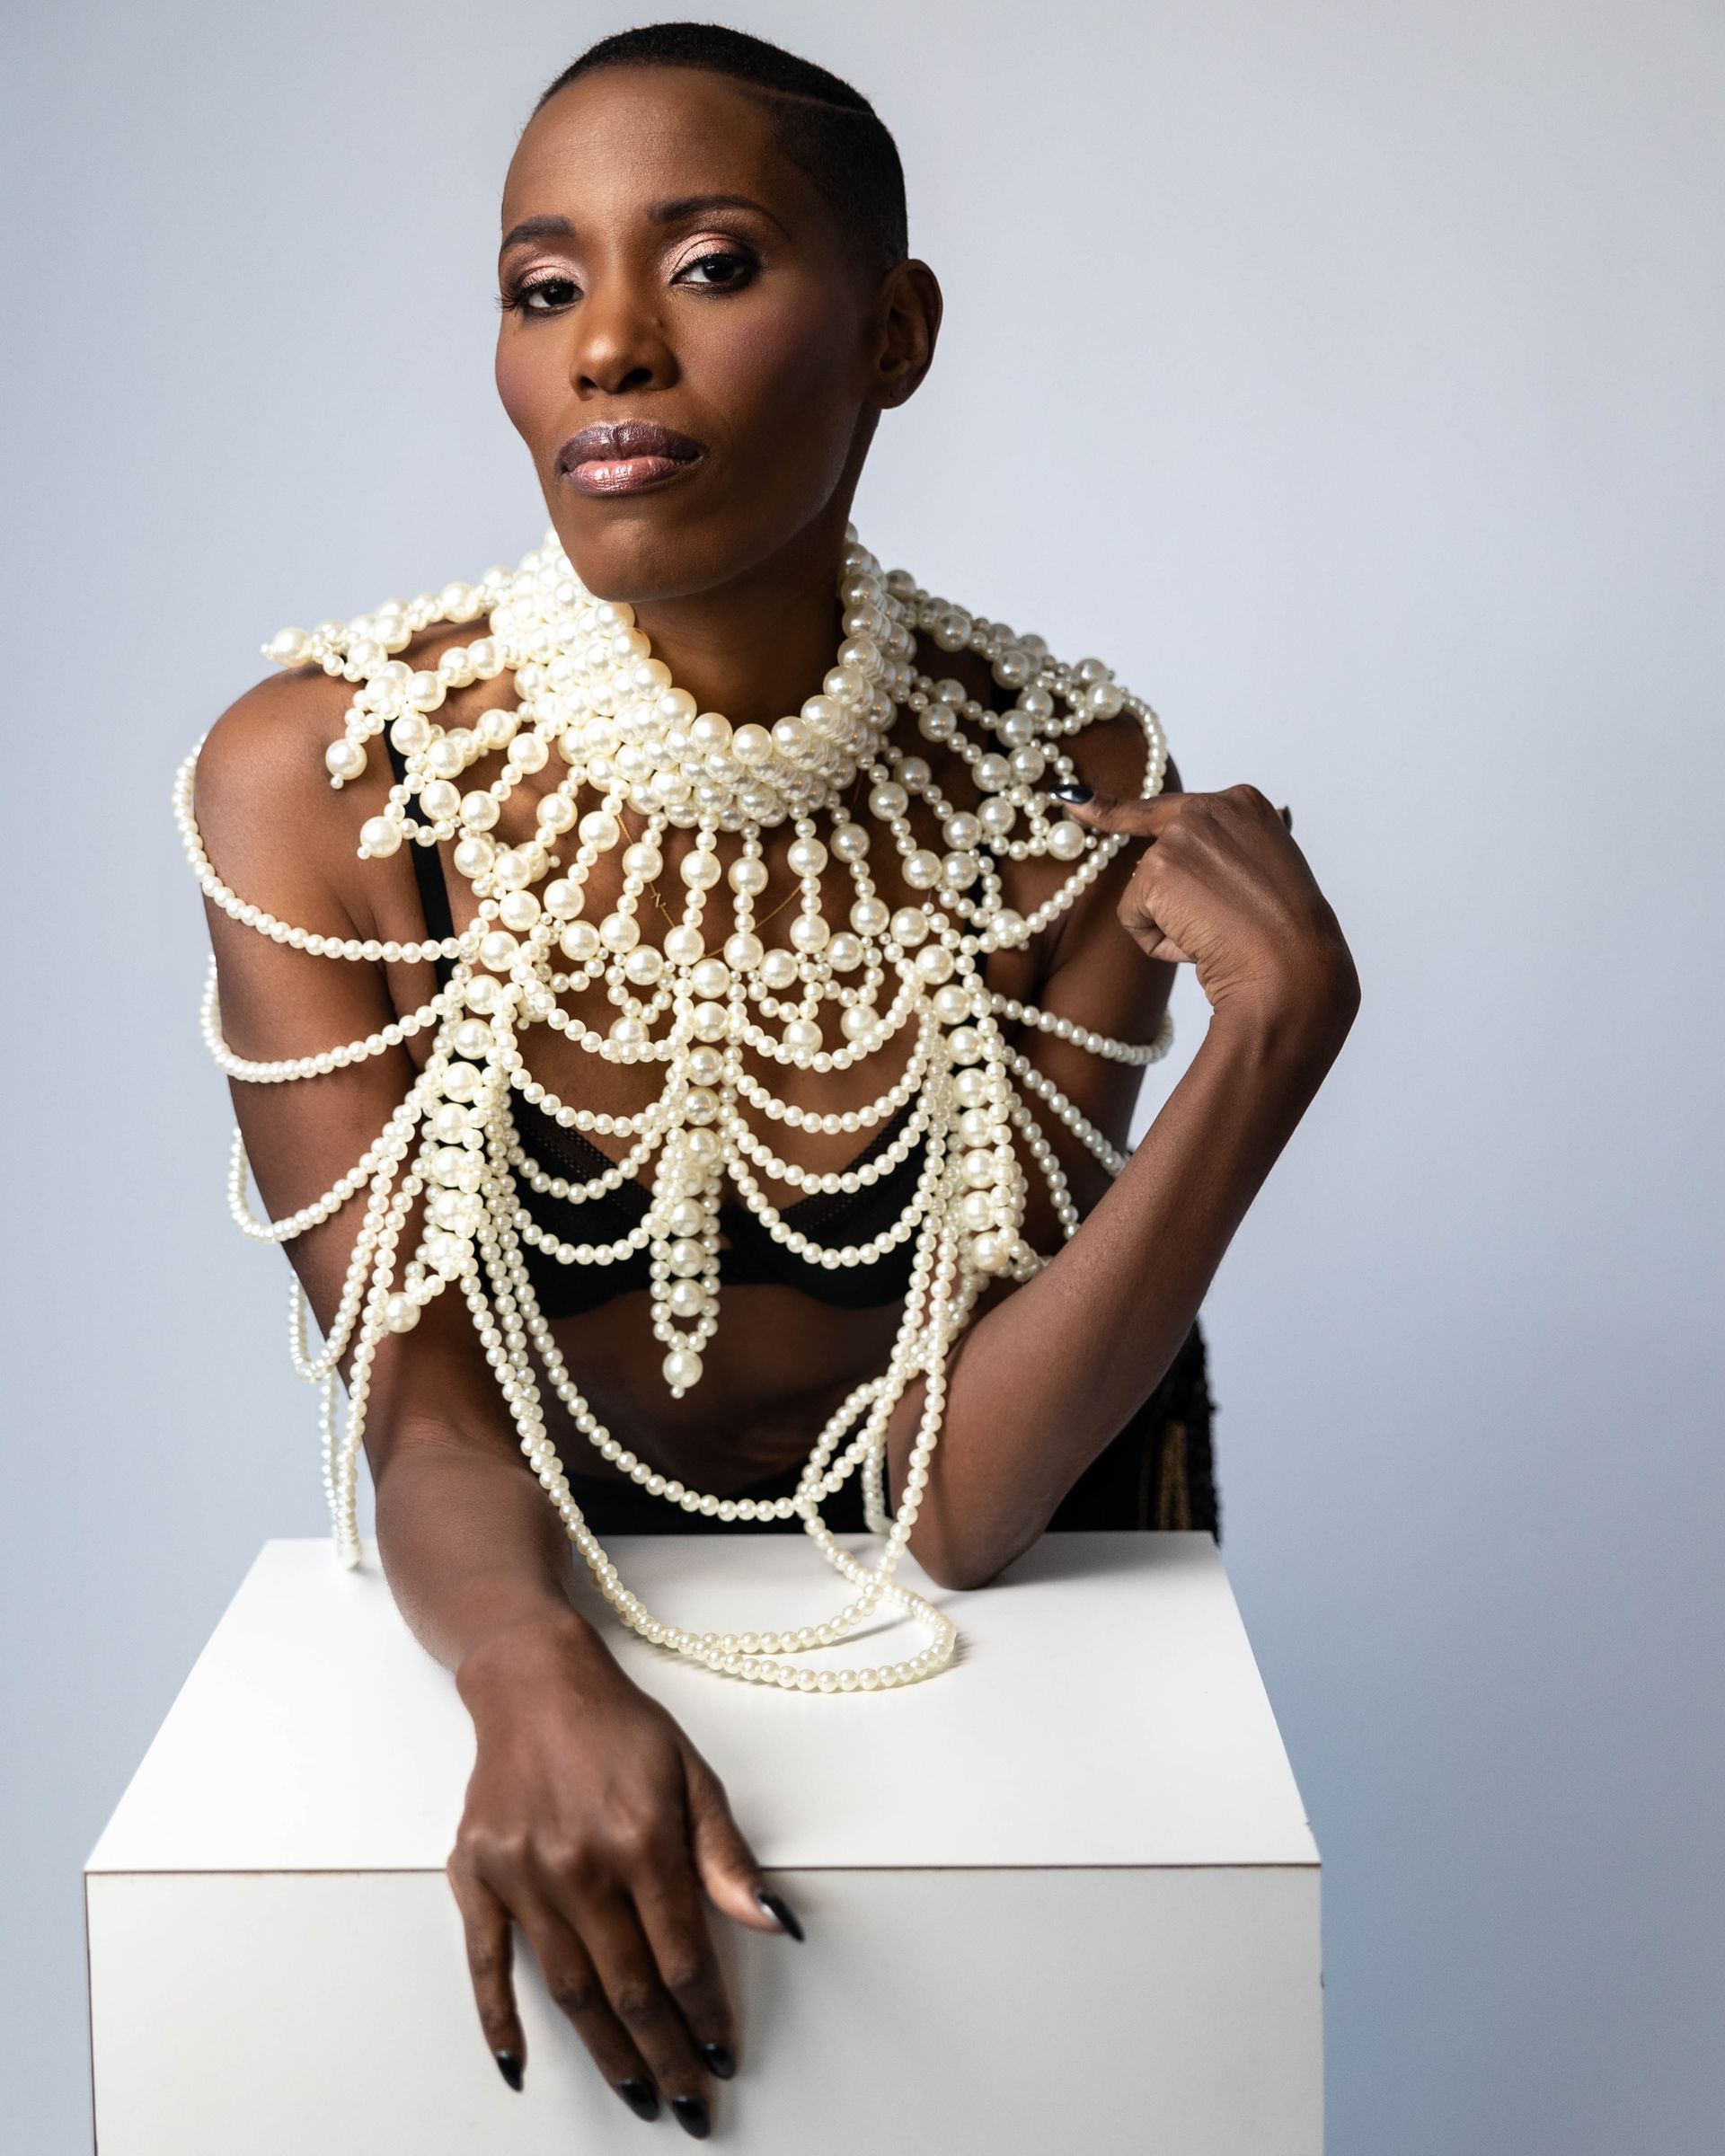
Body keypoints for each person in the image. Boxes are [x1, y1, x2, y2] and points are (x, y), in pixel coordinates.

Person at [184, 22, 1358, 2140]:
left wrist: (1272, 1051)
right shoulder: (334, 779)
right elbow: (421, 1396)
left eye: (710, 266)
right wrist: (534, 1678)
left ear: (894, 331)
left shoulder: (1061, 786)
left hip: (995, 1628)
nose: (609, 351)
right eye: (545, 291)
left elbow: (957, 1502)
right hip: (531, 1573)